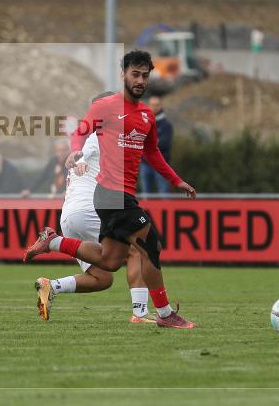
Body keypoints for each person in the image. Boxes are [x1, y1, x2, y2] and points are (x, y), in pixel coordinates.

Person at [24, 50, 197, 329]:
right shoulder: (106, 110)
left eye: (144, 75)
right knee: (149, 246)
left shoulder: (146, 116)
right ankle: (162, 314)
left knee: (109, 263)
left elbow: (153, 153)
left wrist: (176, 180)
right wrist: (75, 153)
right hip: (108, 194)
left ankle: (54, 243)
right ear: (124, 75)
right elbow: (80, 131)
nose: (139, 80)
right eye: (134, 74)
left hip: (115, 197)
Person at [33, 92, 154, 323]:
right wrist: (79, 161)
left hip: (70, 216)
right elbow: (84, 151)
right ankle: (140, 313)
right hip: (92, 208)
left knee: (102, 278)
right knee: (138, 249)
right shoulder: (100, 134)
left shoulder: (99, 133)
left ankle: (51, 287)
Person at [139, 96, 173, 194]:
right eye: (152, 105)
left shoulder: (166, 125)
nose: (155, 107)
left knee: (164, 195)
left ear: (161, 106)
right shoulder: (144, 122)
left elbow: (164, 143)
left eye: (157, 105)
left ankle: (165, 210)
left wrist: (149, 144)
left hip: (162, 165)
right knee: (146, 195)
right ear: (149, 106)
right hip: (145, 164)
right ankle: (146, 210)